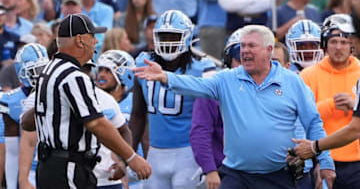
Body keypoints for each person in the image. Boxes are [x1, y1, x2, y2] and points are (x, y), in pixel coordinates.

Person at [133, 24, 330, 189]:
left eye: (252, 46)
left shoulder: (293, 82)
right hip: (236, 176)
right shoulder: (227, 79)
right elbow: (196, 85)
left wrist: (326, 162)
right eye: (243, 46)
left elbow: (313, 123)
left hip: (279, 175)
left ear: (269, 50)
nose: (245, 51)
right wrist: (166, 76)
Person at [34, 13, 151, 189]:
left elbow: (29, 120)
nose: (96, 42)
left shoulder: (48, 70)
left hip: (48, 165)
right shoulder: (73, 76)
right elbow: (96, 124)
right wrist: (131, 157)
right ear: (80, 40)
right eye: (93, 36)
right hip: (69, 168)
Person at [129, 10, 215, 189]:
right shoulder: (142, 62)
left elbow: (212, 119)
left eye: (173, 36)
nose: (168, 42)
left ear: (188, 37)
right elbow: (138, 115)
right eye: (163, 36)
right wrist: (128, 155)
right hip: (155, 152)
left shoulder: (203, 68)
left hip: (189, 153)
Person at [295, 14, 360, 189]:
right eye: (333, 41)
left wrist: (355, 104)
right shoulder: (308, 75)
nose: (339, 47)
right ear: (324, 44)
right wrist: (330, 105)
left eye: (344, 42)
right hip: (320, 157)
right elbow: (300, 120)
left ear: (352, 45)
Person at [190, 28, 242, 189]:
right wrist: (210, 169)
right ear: (228, 60)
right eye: (240, 59)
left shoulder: (272, 87)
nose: (246, 64)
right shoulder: (214, 89)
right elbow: (200, 132)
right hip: (226, 169)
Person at [0, 43, 49, 189]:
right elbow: (12, 151)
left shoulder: (56, 90)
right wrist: (12, 185)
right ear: (23, 73)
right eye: (37, 70)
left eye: (44, 68)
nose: (42, 74)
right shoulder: (12, 101)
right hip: (30, 167)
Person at [96, 50, 145, 189]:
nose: (101, 75)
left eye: (108, 71)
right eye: (100, 70)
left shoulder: (134, 102)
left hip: (134, 172)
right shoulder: (92, 101)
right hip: (105, 172)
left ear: (124, 75)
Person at [0, 3, 19, 69]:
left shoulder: (15, 38)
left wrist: (15, 62)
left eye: (2, 14)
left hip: (9, 75)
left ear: (6, 16)